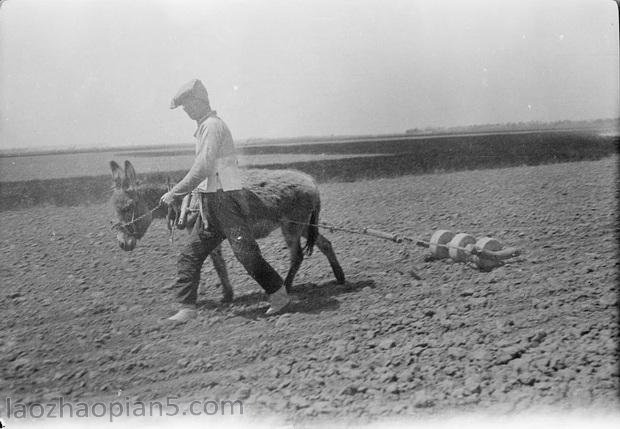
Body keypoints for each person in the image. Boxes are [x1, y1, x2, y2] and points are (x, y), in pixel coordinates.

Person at [160, 79, 290, 322]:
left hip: (226, 202)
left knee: (246, 255)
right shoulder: (203, 127)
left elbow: (203, 167)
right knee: (191, 254)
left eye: (188, 105)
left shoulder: (212, 126)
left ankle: (279, 295)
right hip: (210, 203)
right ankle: (187, 308)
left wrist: (175, 192)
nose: (186, 110)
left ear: (200, 102)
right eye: (183, 107)